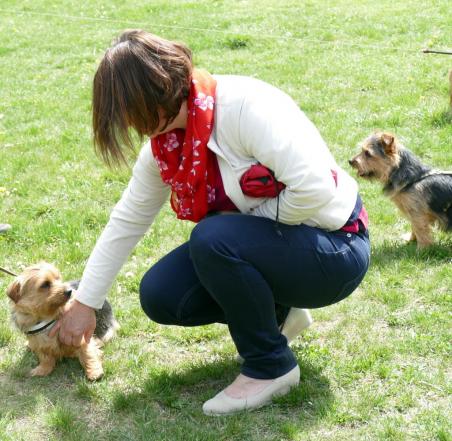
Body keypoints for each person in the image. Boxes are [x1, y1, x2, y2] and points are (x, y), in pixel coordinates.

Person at [50, 29, 370, 415]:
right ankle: (278, 314)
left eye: (129, 112)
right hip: (283, 246)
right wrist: (86, 302)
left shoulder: (245, 107)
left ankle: (271, 367)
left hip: (336, 247)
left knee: (214, 238)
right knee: (161, 294)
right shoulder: (165, 145)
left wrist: (243, 224)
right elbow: (127, 220)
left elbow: (315, 190)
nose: (130, 127)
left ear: (157, 89)